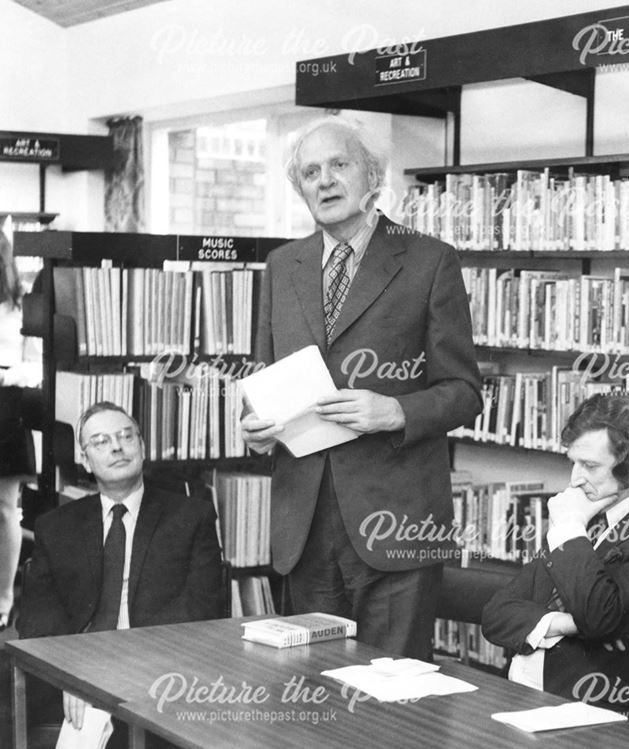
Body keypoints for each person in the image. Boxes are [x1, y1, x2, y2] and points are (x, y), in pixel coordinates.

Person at [241, 115, 481, 660]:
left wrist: (393, 410)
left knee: (392, 702)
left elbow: (464, 390)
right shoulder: (282, 266)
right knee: (310, 697)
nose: (324, 181)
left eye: (339, 165)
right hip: (304, 527)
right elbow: (266, 379)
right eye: (309, 172)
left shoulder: (428, 260)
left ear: (371, 174)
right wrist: (257, 431)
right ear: (299, 189)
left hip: (396, 526)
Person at [481, 393, 629, 711]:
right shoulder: (585, 515)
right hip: (516, 696)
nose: (574, 479)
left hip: (588, 713)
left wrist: (569, 527)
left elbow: (599, 617)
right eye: (573, 462)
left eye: (589, 465)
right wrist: (565, 623)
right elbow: (496, 614)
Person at [19, 401, 225, 737]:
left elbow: (201, 607)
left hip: (158, 666)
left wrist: (124, 664)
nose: (116, 447)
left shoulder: (191, 518)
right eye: (100, 442)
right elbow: (38, 615)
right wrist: (72, 670)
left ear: (142, 447)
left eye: (126, 437)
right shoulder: (56, 527)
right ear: (85, 460)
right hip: (80, 666)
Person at [0, 215, 41, 629]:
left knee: (6, 509)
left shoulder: (20, 304)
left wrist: (6, 373)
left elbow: (36, 368)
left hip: (6, 410)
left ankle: (4, 596)